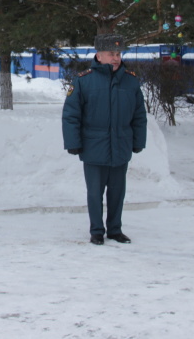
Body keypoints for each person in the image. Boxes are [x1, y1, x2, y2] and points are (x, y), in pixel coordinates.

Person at [62, 33, 147, 246]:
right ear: (99, 56)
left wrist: (138, 141)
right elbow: (71, 115)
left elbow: (139, 116)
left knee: (118, 193)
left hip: (121, 146)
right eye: (111, 54)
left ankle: (115, 230)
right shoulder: (84, 81)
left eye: (118, 53)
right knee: (95, 193)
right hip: (93, 147)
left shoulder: (131, 81)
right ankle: (97, 231)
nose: (116, 58)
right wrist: (73, 143)